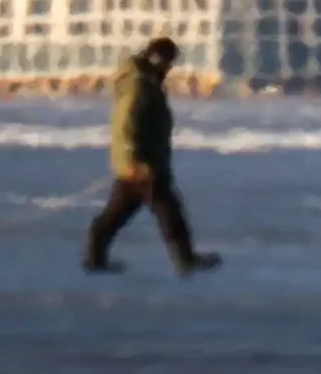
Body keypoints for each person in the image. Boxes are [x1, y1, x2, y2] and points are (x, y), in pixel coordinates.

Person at [83, 36, 221, 277]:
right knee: (169, 212)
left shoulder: (146, 82)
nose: (170, 69)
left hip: (144, 164)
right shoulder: (139, 85)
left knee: (116, 216)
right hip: (142, 166)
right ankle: (186, 260)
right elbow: (126, 123)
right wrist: (132, 159)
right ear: (158, 60)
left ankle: (95, 259)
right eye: (168, 63)